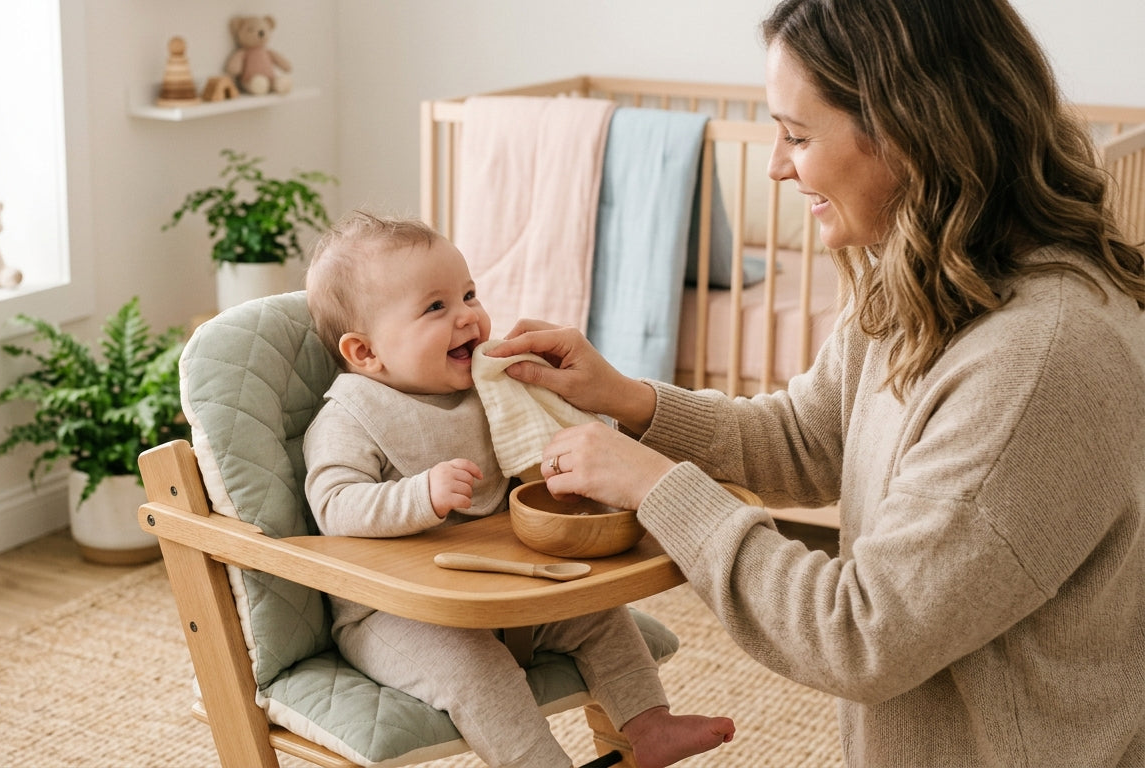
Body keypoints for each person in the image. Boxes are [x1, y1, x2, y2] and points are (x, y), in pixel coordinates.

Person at [489, 0, 1145, 765]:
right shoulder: (927, 273)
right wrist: (630, 400)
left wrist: (660, 489)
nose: (775, 164)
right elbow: (809, 437)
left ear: (909, 130)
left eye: (797, 135)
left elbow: (863, 634)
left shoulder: (1039, 361)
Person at [302, 211, 735, 768]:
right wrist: (419, 496)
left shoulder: (489, 389)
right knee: (476, 670)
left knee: (601, 615)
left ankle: (650, 724)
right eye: (436, 307)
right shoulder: (352, 414)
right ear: (366, 353)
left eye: (469, 294)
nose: (467, 317)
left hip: (505, 592)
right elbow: (333, 506)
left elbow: (527, 454)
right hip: (398, 615)